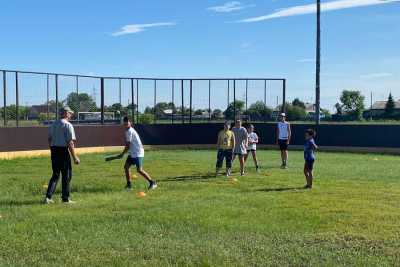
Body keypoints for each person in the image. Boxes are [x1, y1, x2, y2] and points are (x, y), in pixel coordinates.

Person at [44, 106, 80, 204]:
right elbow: (70, 143)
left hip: (54, 150)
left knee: (55, 175)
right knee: (66, 175)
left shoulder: (53, 124)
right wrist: (74, 157)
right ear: (65, 113)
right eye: (70, 113)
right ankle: (65, 198)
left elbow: (49, 139)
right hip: (63, 151)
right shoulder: (68, 125)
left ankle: (48, 197)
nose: (71, 115)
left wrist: (52, 151)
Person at [118, 116, 157, 191]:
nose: (126, 123)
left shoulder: (129, 131)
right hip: (133, 152)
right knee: (126, 167)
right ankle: (129, 186)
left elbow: (128, 145)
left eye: (127, 122)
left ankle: (153, 183)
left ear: (130, 123)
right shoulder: (127, 131)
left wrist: (122, 154)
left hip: (138, 153)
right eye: (125, 122)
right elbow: (129, 145)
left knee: (139, 170)